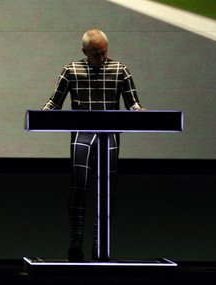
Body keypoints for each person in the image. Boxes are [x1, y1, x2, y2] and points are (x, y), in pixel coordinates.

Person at [42, 29, 143, 262]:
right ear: (84, 52)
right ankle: (76, 241)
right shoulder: (71, 71)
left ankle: (100, 242)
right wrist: (41, 116)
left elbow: (133, 104)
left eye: (105, 52)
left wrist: (140, 112)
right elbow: (54, 102)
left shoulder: (120, 70)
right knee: (79, 187)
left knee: (107, 191)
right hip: (82, 135)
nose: (102, 58)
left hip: (109, 137)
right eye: (97, 54)